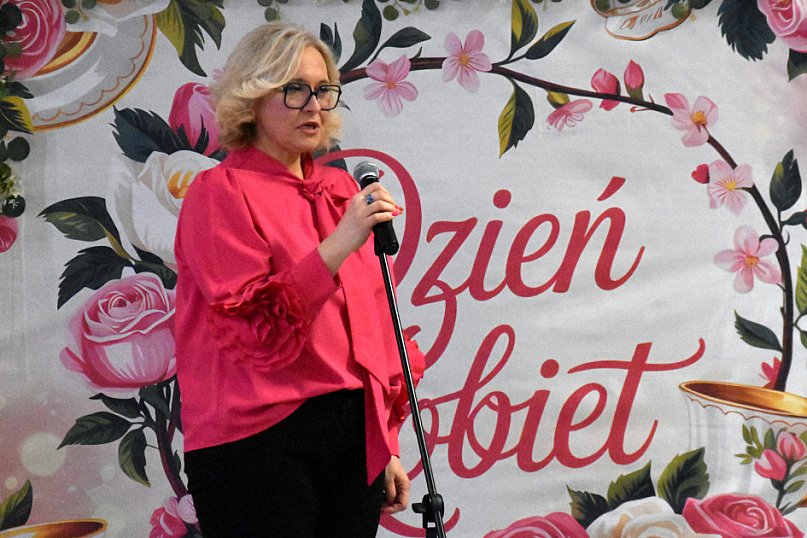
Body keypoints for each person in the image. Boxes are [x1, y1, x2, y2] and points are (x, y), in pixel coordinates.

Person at [173, 22, 426, 537]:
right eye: (294, 90)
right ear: (252, 98)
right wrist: (340, 242)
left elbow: (377, 325)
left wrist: (385, 442)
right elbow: (253, 325)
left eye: (323, 90)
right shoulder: (218, 192)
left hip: (351, 432)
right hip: (254, 439)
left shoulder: (341, 188)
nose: (314, 106)